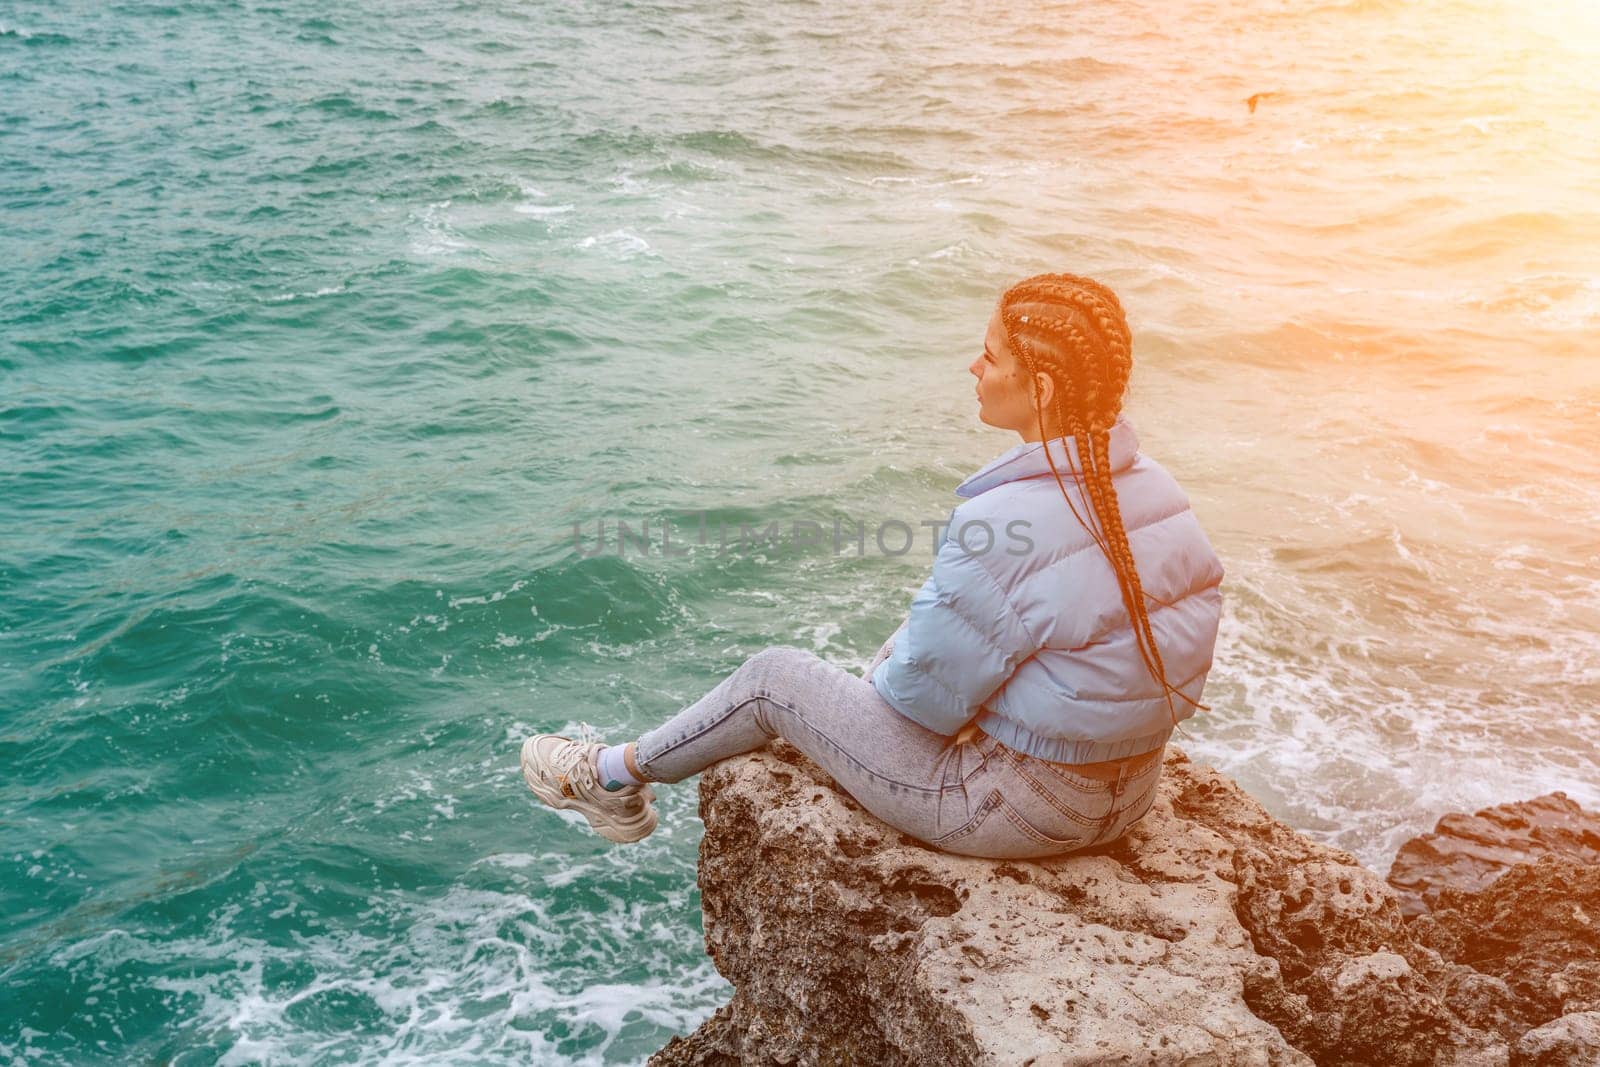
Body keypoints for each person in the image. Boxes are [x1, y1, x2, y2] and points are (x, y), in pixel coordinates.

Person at [520, 272, 1225, 859]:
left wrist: (872, 703)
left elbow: (921, 704)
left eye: (990, 356)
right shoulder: (1157, 489)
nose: (973, 368)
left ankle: (608, 778)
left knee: (773, 678)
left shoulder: (999, 527)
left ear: (1039, 387)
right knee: (932, 633)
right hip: (1127, 797)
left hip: (1017, 813)